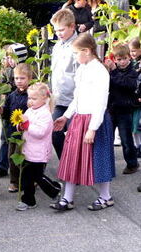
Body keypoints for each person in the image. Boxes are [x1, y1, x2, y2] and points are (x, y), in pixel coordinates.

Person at [52, 33, 115, 211]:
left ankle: (106, 196)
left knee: (98, 158)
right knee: (72, 157)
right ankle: (67, 198)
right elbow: (77, 98)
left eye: (76, 53)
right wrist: (66, 116)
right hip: (78, 119)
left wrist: (93, 128)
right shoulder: (81, 69)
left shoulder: (100, 71)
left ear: (87, 51)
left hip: (95, 121)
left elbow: (101, 103)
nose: (74, 57)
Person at [15, 83, 61, 211]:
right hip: (28, 150)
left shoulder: (45, 114)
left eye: (34, 99)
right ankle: (29, 200)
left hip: (39, 152)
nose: (30, 101)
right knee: (26, 177)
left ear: (44, 99)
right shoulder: (30, 110)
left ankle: (55, 190)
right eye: (29, 98)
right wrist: (19, 126)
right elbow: (24, 126)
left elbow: (40, 133)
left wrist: (26, 124)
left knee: (37, 176)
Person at [0, 43, 28, 177]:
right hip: (7, 109)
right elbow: (1, 90)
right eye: (6, 57)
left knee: (20, 140)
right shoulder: (6, 72)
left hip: (21, 111)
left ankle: (21, 167)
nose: (7, 59)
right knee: (5, 137)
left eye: (11, 57)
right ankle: (2, 165)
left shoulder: (24, 72)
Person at [0, 63, 32, 193]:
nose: (19, 81)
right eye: (16, 78)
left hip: (27, 133)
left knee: (27, 158)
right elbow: (7, 114)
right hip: (13, 133)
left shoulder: (31, 95)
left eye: (22, 78)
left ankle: (29, 180)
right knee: (13, 157)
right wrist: (1, 112)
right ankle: (14, 181)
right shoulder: (11, 96)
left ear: (29, 79)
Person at [105, 44, 139, 174]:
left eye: (124, 58)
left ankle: (132, 164)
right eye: (119, 59)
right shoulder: (112, 70)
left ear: (129, 57)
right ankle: (107, 164)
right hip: (112, 109)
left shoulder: (132, 72)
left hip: (125, 111)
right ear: (115, 59)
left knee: (126, 140)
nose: (122, 62)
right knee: (108, 138)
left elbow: (127, 84)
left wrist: (113, 71)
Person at [50, 9, 79, 159]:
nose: (58, 33)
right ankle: (65, 162)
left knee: (75, 138)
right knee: (55, 133)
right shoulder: (57, 46)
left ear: (72, 26)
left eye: (61, 30)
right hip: (59, 99)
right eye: (56, 31)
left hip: (75, 100)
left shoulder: (78, 46)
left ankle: (76, 167)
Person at [128, 38, 141, 159]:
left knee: (138, 125)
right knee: (134, 126)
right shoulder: (131, 63)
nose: (132, 53)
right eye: (131, 51)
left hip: (139, 98)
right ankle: (137, 147)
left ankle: (139, 147)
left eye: (135, 51)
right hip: (133, 99)